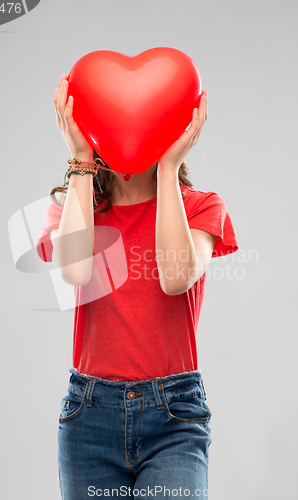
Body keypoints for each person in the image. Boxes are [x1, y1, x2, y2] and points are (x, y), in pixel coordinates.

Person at [36, 74, 238, 500]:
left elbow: (175, 276)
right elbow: (73, 270)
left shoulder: (201, 207)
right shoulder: (73, 208)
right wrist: (79, 158)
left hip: (174, 418)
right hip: (89, 417)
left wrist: (166, 169)